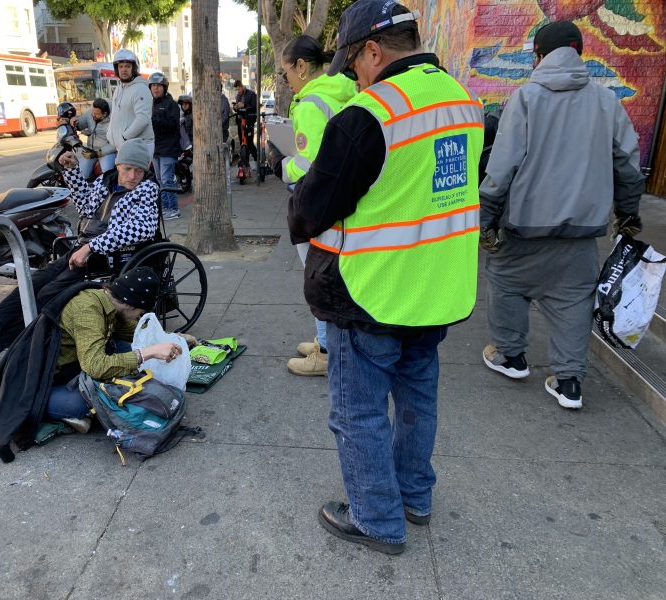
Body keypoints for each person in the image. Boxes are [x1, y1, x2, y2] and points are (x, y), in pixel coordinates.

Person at [288, 0, 483, 554]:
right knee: (420, 397)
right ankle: (415, 498)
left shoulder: (370, 114)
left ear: (372, 50)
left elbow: (309, 212)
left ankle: (377, 518)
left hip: (370, 292)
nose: (354, 78)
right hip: (438, 288)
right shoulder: (467, 104)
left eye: (353, 65)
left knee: (360, 412)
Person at [479, 20, 644, 410]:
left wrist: (488, 215)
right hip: (582, 232)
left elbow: (502, 167)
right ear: (579, 53)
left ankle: (510, 356)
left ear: (538, 56)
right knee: (573, 299)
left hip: (524, 228)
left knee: (505, 283)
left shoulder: (525, 99)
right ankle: (569, 382)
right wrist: (629, 213)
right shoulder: (607, 102)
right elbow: (628, 165)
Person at [0, 138, 160, 370]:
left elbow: (141, 229)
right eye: (128, 169)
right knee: (30, 285)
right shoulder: (105, 181)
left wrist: (92, 247)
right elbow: (85, 207)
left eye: (138, 171)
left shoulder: (147, 190)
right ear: (118, 165)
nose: (132, 176)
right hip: (83, 250)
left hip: (109, 257)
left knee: (46, 296)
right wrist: (72, 171)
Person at [0, 267, 183, 462]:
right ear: (130, 303)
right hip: (41, 384)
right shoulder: (88, 309)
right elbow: (95, 366)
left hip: (74, 367)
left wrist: (172, 339)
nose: (139, 316)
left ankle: (75, 409)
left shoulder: (111, 302)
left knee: (125, 348)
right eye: (140, 312)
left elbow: (132, 332)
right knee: (84, 405)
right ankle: (60, 416)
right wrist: (149, 352)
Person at [266, 35, 356, 378]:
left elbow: (309, 164)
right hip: (343, 201)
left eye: (285, 70)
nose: (285, 78)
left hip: (317, 205)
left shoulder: (311, 103)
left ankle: (326, 350)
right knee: (332, 277)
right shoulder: (344, 89)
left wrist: (280, 164)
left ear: (301, 67)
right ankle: (327, 341)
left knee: (317, 278)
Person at [106, 49, 155, 159]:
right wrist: (110, 135)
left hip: (138, 145)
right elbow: (114, 114)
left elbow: (143, 118)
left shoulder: (141, 88)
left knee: (133, 176)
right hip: (124, 146)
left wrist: (124, 137)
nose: (124, 70)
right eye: (121, 66)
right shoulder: (119, 88)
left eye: (127, 66)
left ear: (134, 68)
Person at [149, 72, 182, 220]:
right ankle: (164, 207)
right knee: (160, 180)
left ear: (164, 87)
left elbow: (174, 125)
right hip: (155, 148)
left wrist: (155, 121)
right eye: (153, 85)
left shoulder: (171, 104)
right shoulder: (149, 103)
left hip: (168, 148)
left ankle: (173, 208)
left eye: (158, 86)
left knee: (167, 179)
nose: (156, 88)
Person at [72, 98, 116, 178]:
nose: (93, 115)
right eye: (93, 112)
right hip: (90, 150)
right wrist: (75, 123)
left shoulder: (115, 120)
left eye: (96, 114)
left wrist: (97, 154)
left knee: (107, 175)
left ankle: (108, 189)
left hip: (106, 152)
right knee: (81, 175)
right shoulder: (93, 112)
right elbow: (81, 123)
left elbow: (115, 144)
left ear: (105, 114)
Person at [233, 80, 258, 162]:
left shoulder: (251, 94)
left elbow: (255, 108)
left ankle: (256, 160)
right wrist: (235, 107)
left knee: (249, 143)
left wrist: (244, 105)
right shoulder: (238, 96)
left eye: (239, 89)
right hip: (240, 122)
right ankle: (245, 163)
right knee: (242, 143)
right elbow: (237, 109)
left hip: (249, 121)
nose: (238, 91)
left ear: (242, 86)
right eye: (237, 90)